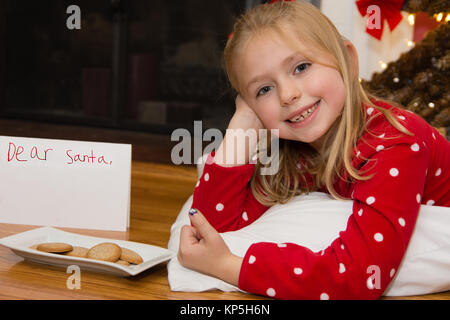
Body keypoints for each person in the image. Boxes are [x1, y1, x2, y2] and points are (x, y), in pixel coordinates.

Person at [177, 0, 450, 299]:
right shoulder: (293, 151)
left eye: (301, 67)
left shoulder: (396, 142)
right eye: (264, 90)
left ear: (347, 60)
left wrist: (228, 266)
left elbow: (360, 277)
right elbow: (209, 229)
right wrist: (241, 125)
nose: (288, 95)